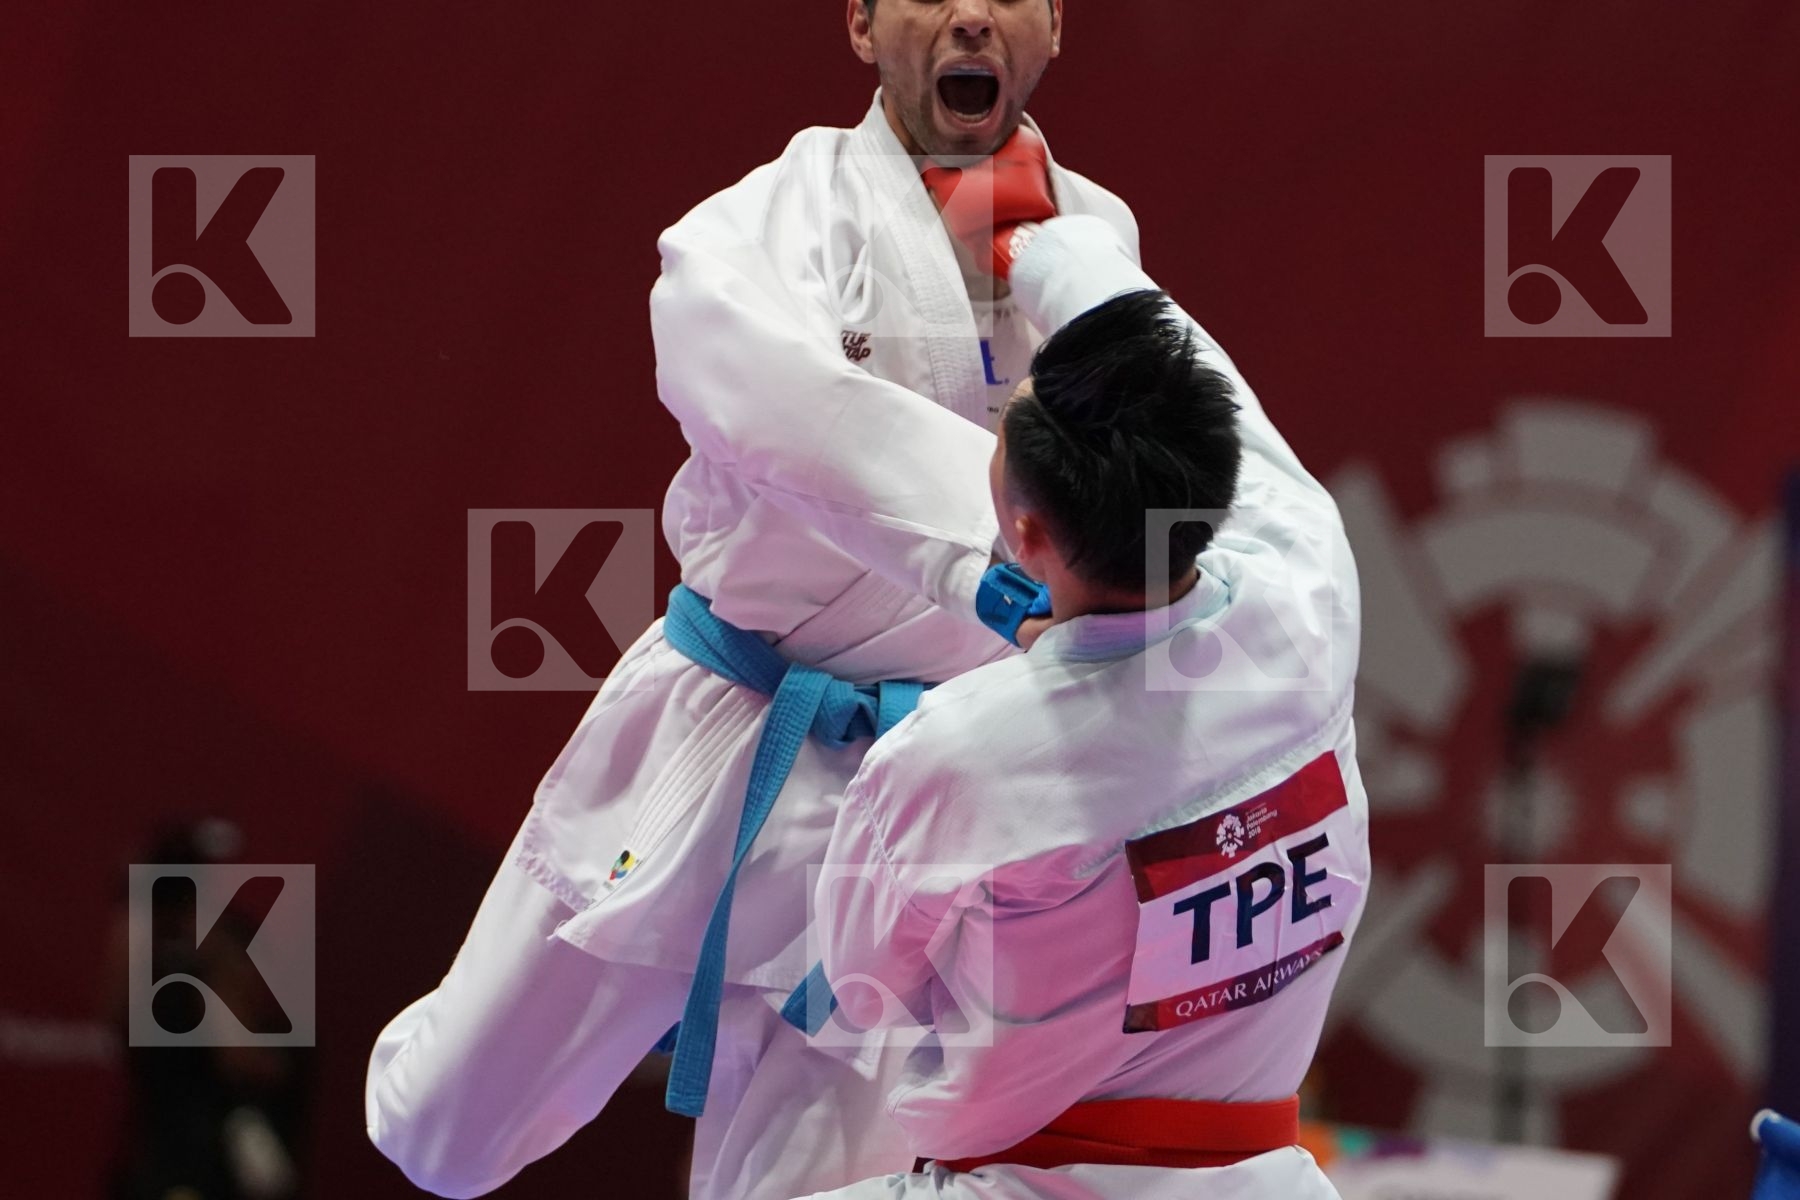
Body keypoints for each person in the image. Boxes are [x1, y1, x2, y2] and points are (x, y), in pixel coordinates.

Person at [364, 3, 1143, 1198]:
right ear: (863, 23)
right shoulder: (749, 231)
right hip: (725, 732)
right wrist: (1007, 565)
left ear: (1054, 27)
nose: (973, 11)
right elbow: (788, 420)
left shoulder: (1095, 237)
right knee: (444, 1133)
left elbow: (1156, 463)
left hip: (915, 789)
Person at [789, 214, 1368, 1198]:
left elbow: (863, 989)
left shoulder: (961, 750)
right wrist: (1046, 245)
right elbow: (1183, 361)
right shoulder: (1302, 587)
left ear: (1022, 534)